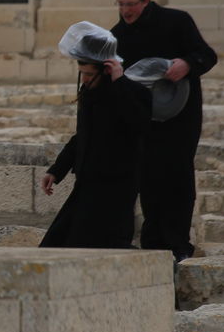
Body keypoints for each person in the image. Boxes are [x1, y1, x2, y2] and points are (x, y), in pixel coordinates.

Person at [110, 0, 218, 262]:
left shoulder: (177, 22)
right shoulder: (117, 35)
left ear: (145, 1)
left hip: (181, 117)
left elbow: (207, 55)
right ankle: (153, 242)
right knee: (148, 179)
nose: (126, 11)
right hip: (143, 120)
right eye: (121, 5)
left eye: (131, 4)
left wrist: (187, 64)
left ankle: (178, 243)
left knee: (177, 177)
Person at [39, 35, 152, 249]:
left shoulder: (135, 92)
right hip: (88, 182)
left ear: (107, 69)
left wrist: (120, 82)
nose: (85, 80)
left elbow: (139, 124)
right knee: (59, 242)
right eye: (82, 74)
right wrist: (56, 170)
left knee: (105, 244)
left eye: (90, 74)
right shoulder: (89, 93)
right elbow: (82, 136)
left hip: (117, 186)